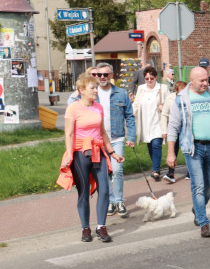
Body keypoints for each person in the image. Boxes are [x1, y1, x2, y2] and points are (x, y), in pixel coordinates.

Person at [166, 66, 210, 238]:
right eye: (201, 80)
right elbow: (173, 127)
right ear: (192, 80)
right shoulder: (182, 98)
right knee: (198, 185)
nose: (205, 83)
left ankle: (197, 207)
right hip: (192, 147)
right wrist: (171, 153)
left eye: (206, 79)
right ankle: (203, 221)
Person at [68, 63, 135, 218]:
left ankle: (119, 200)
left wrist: (131, 137)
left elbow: (130, 116)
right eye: (98, 75)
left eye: (105, 75)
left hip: (116, 138)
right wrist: (81, 87)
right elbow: (72, 103)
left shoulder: (121, 93)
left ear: (111, 75)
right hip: (97, 142)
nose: (102, 78)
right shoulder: (92, 93)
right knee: (105, 174)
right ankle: (111, 201)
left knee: (117, 170)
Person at [60, 72, 121, 243]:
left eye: (96, 88)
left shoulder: (98, 107)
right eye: (92, 88)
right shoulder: (73, 108)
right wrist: (69, 155)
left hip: (97, 151)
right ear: (81, 90)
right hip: (80, 152)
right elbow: (69, 133)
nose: (96, 90)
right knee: (84, 191)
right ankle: (85, 228)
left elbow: (102, 132)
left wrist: (112, 152)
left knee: (105, 189)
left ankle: (101, 226)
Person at [132, 66, 170, 181]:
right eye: (147, 78)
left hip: (158, 122)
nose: (149, 80)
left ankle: (155, 170)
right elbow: (136, 104)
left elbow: (170, 103)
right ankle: (156, 167)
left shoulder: (162, 88)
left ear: (156, 77)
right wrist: (131, 114)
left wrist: (163, 107)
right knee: (150, 145)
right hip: (145, 122)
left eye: (151, 78)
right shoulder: (141, 89)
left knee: (156, 144)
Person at [160, 80, 186, 183]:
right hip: (174, 129)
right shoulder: (170, 98)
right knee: (172, 150)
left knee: (187, 150)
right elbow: (164, 114)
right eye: (181, 91)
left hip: (185, 129)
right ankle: (170, 173)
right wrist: (164, 130)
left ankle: (190, 171)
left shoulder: (188, 98)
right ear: (176, 91)